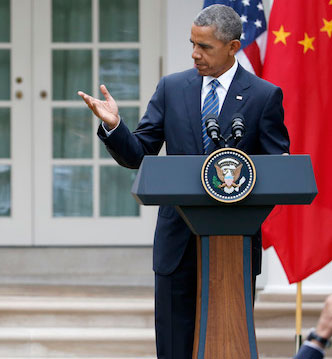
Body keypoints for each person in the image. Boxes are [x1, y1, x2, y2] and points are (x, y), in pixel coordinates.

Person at [78, 4, 289, 359]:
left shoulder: (264, 96)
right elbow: (139, 153)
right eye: (192, 43)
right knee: (174, 348)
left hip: (233, 247)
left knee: (228, 345)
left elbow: (277, 170)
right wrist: (114, 126)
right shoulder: (172, 88)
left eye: (205, 47)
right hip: (177, 245)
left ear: (234, 48)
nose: (194, 54)